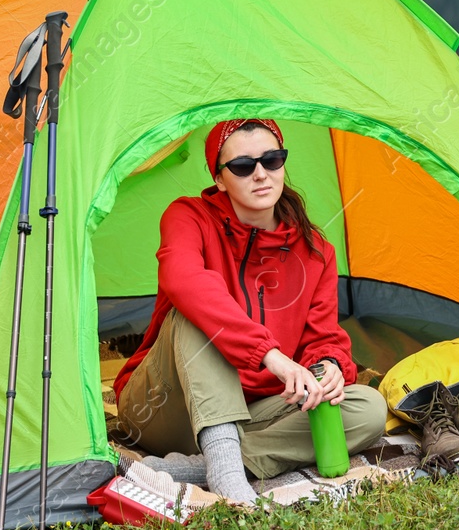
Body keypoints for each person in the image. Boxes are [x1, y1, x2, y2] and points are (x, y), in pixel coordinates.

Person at [112, 117, 386, 503]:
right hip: (162, 409)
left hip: (252, 411)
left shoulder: (316, 251)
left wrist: (330, 367)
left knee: (368, 409)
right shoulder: (187, 215)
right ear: (220, 178)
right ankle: (229, 480)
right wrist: (270, 356)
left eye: (272, 160)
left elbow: (322, 337)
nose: (261, 174)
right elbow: (184, 280)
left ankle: (201, 465)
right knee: (193, 314)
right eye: (243, 166)